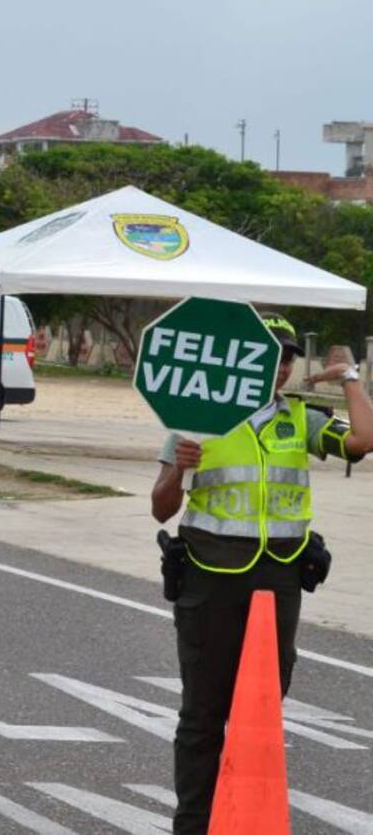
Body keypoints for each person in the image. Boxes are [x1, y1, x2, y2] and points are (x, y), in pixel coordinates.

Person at [151, 314, 373, 834]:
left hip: (277, 585)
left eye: (288, 356)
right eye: (267, 353)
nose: (280, 365)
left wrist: (349, 377)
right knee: (203, 714)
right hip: (210, 577)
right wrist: (179, 467)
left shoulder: (300, 418)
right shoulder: (194, 418)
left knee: (261, 709)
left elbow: (364, 440)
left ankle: (246, 819)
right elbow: (162, 508)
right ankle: (194, 824)